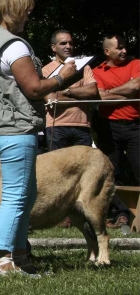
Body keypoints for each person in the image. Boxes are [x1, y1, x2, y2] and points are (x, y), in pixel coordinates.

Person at [0, 0, 76, 276]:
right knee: (17, 195)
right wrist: (62, 78)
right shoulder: (13, 44)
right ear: (14, 10)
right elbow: (34, 87)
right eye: (27, 10)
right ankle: (5, 260)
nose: (29, 16)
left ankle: (21, 257)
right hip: (16, 127)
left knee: (26, 194)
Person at [92, 34, 139, 228]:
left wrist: (111, 93)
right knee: (110, 172)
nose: (124, 50)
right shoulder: (97, 71)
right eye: (119, 48)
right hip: (108, 126)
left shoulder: (135, 63)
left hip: (135, 125)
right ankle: (121, 215)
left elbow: (136, 85)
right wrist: (125, 91)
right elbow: (99, 96)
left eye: (125, 46)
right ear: (107, 51)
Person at [42, 30, 98, 151]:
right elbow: (51, 99)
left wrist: (66, 92)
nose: (68, 46)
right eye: (63, 43)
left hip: (82, 125)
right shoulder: (45, 70)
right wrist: (82, 97)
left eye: (71, 43)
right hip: (56, 127)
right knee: (58, 168)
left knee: (83, 168)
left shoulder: (84, 66)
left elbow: (92, 91)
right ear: (53, 47)